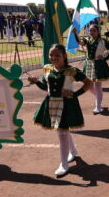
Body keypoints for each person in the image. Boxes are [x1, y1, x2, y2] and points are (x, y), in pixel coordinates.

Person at [28, 44, 93, 177]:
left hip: (67, 105)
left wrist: (74, 94)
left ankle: (64, 164)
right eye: (51, 55)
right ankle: (73, 152)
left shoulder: (72, 70)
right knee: (63, 130)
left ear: (64, 55)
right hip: (51, 103)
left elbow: (88, 83)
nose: (53, 57)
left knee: (62, 133)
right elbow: (46, 87)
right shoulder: (47, 68)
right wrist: (35, 82)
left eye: (57, 55)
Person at [79, 24, 109, 114]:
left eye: (94, 30)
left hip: (99, 64)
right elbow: (80, 43)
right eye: (90, 30)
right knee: (88, 86)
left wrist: (105, 58)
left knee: (97, 86)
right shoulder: (87, 40)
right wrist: (75, 33)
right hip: (89, 64)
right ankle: (99, 98)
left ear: (98, 31)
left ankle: (98, 107)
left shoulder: (103, 41)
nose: (92, 32)